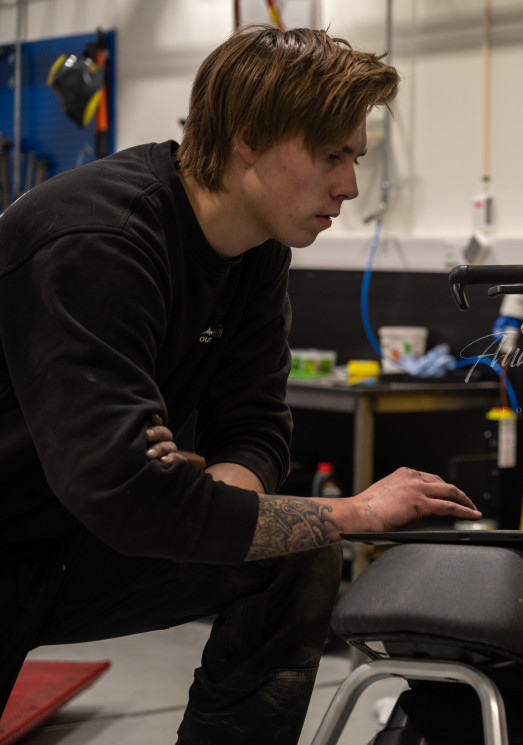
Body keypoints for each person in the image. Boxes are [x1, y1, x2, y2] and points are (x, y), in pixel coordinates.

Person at [0, 25, 480, 744]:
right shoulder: (97, 240)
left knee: (291, 552)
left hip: (71, 541)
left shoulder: (256, 249)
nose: (349, 185)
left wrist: (207, 492)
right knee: (317, 529)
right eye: (330, 156)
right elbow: (127, 494)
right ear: (248, 140)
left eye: (354, 157)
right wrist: (355, 512)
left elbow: (254, 422)